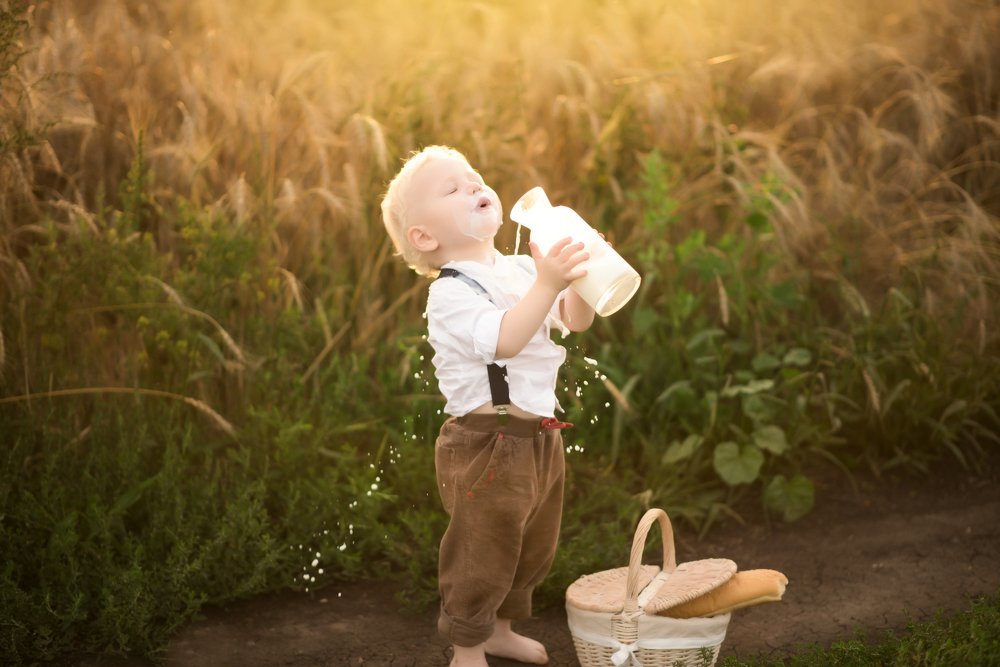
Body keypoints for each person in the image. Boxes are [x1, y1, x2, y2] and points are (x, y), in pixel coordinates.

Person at [380, 145, 600, 666]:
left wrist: (581, 279)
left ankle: (500, 629)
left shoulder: (523, 268)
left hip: (540, 435)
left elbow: (576, 317)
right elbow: (504, 340)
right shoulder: (450, 294)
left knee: (531, 543)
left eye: (475, 179)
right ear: (425, 237)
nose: (475, 188)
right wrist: (548, 282)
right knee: (483, 548)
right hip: (486, 442)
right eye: (453, 189)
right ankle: (467, 645)